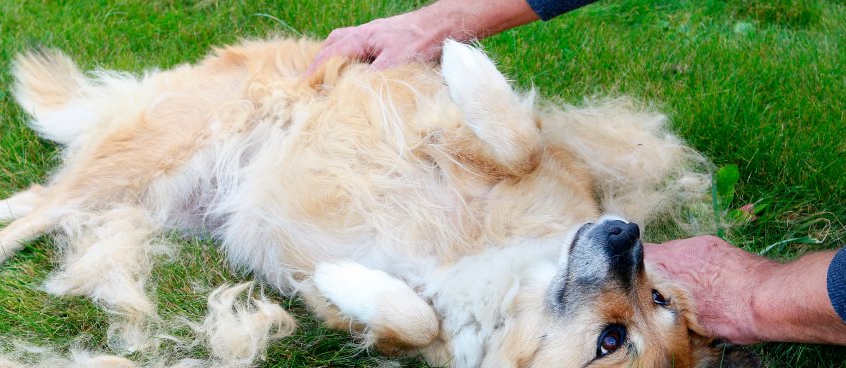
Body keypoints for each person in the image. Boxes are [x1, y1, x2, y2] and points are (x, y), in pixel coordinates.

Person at [312, 1, 846, 345]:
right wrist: (447, 20)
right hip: (329, 100)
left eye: (611, 339)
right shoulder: (566, 212)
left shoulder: (477, 339)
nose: (627, 250)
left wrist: (759, 300)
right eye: (655, 299)